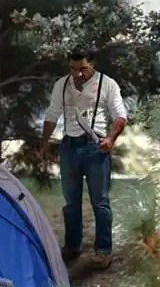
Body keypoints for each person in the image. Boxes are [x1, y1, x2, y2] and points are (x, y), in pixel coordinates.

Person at [39, 51, 127, 270]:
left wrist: (110, 139)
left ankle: (104, 250)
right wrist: (44, 144)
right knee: (71, 202)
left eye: (83, 69)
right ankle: (73, 245)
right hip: (69, 147)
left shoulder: (107, 84)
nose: (78, 73)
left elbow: (120, 116)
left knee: (100, 201)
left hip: (95, 148)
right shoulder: (62, 84)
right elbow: (51, 114)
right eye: (74, 68)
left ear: (93, 65)